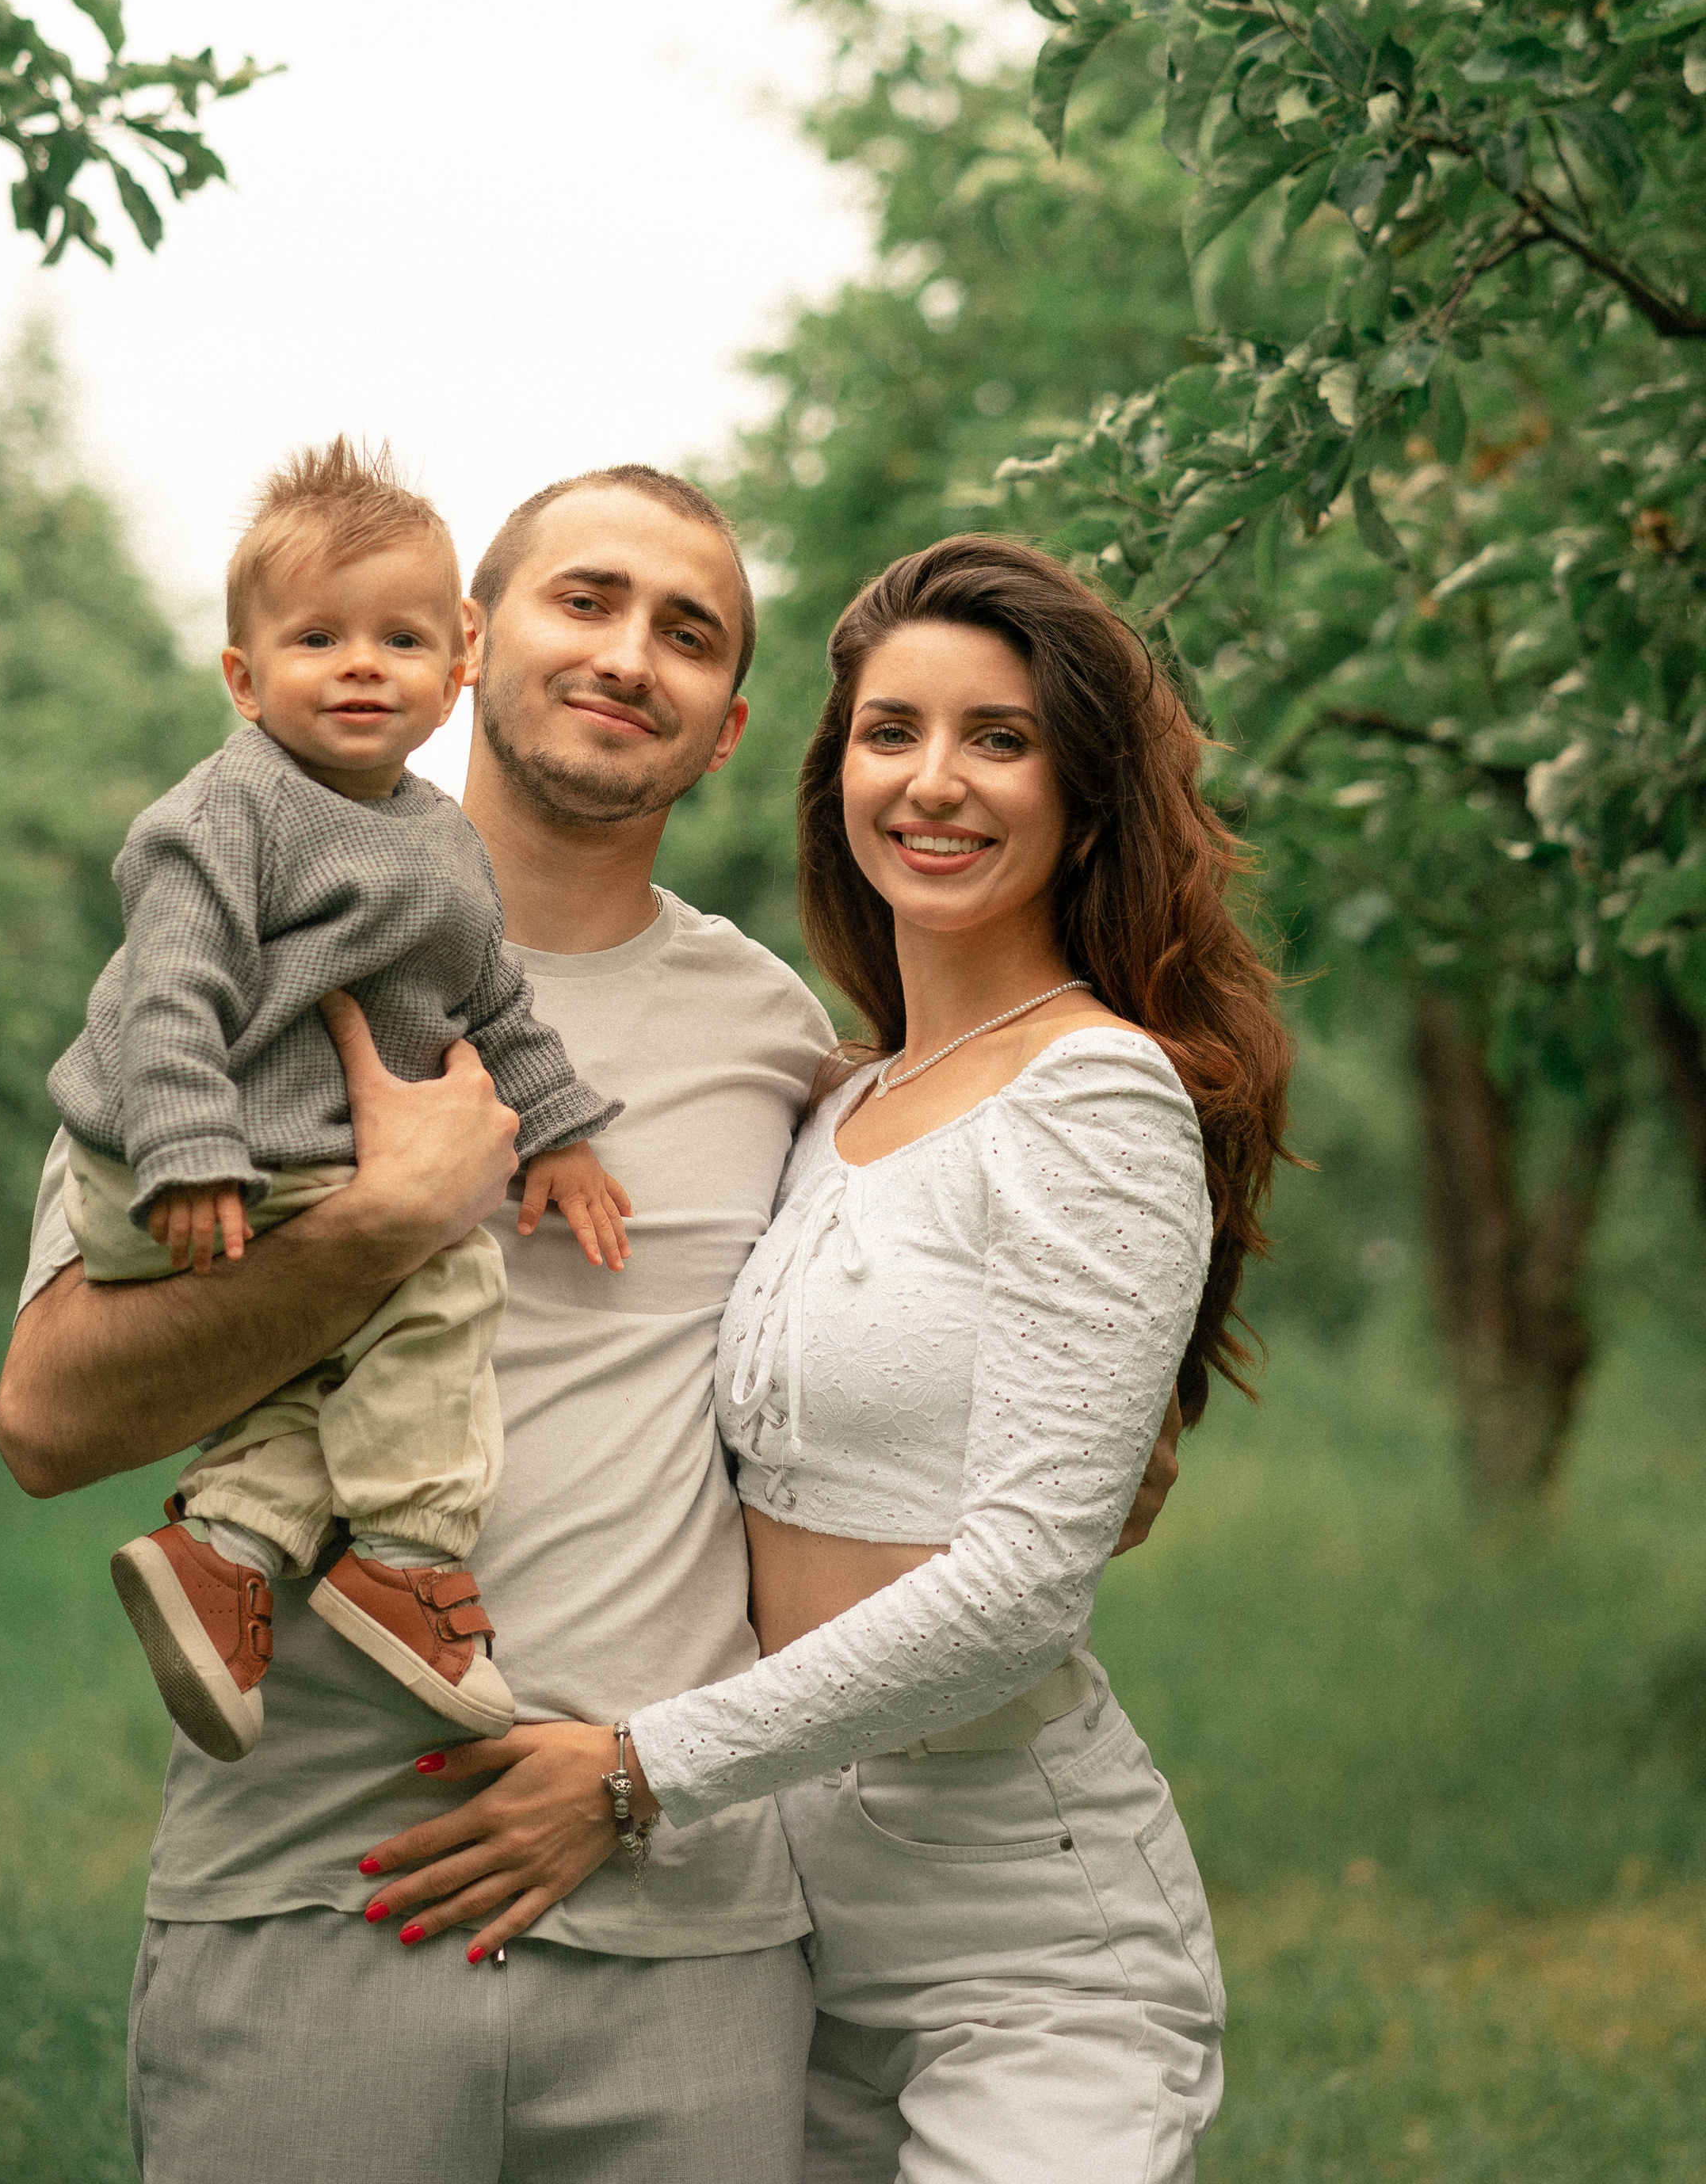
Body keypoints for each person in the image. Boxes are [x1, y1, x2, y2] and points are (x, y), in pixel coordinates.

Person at [0, 476, 1184, 2184]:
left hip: (684, 1924)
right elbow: (45, 1422)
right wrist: (380, 1232)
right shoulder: (228, 973)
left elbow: (923, 1305)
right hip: (321, 1895)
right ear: (479, 646)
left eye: (686, 633)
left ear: (728, 730)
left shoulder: (775, 1037)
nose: (629, 655)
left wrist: (1097, 1426)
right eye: (586, 601)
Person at [354, 534, 1287, 2184]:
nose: (933, 783)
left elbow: (1017, 1589)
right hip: (784, 1922)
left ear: (1082, 790)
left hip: (1019, 1933)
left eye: (997, 739)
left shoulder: (1094, 1094)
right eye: (889, 732)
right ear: (831, 770)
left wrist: (636, 1773)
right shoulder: (828, 1096)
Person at [49, 439, 626, 1761]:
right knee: (443, 1283)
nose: (362, 664)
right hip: (187, 1161)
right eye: (318, 639)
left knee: (340, 1352)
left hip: (275, 1164)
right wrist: (191, 1148)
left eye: (399, 638)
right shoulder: (227, 815)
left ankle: (228, 1551)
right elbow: (170, 996)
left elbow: (492, 1007)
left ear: (455, 667)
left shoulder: (439, 842)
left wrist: (564, 1137)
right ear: (246, 680)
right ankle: (409, 1560)